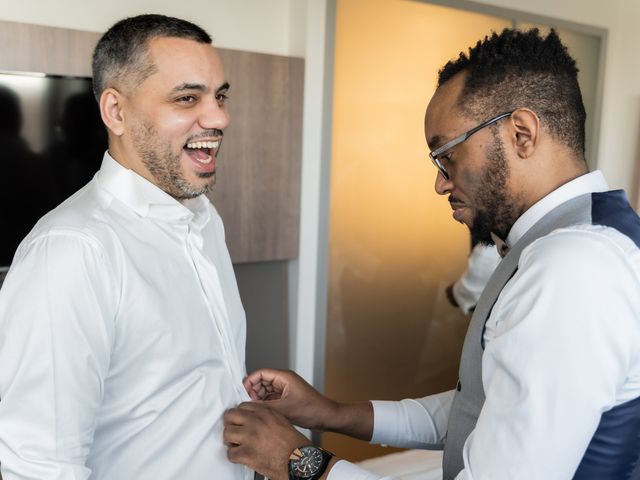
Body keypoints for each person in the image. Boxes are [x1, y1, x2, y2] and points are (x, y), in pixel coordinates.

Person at [223, 28, 640, 480]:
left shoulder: (574, 268)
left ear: (522, 133)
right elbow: (477, 406)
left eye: (447, 155)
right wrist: (329, 412)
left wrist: (296, 460)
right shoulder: (566, 241)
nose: (440, 182)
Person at [0, 14, 254, 480]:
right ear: (116, 112)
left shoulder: (204, 219)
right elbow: (37, 465)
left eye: (219, 97)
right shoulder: (73, 252)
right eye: (187, 98)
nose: (219, 117)